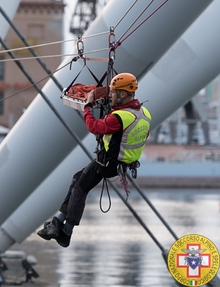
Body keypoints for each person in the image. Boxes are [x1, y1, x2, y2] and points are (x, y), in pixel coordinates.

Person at [37, 72, 151, 248]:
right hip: (121, 164)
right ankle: (57, 222)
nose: (110, 95)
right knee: (77, 179)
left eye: (113, 92)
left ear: (122, 94)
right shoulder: (144, 114)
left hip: (107, 164)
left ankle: (66, 232)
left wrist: (88, 107)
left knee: (80, 189)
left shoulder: (119, 118)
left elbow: (94, 127)